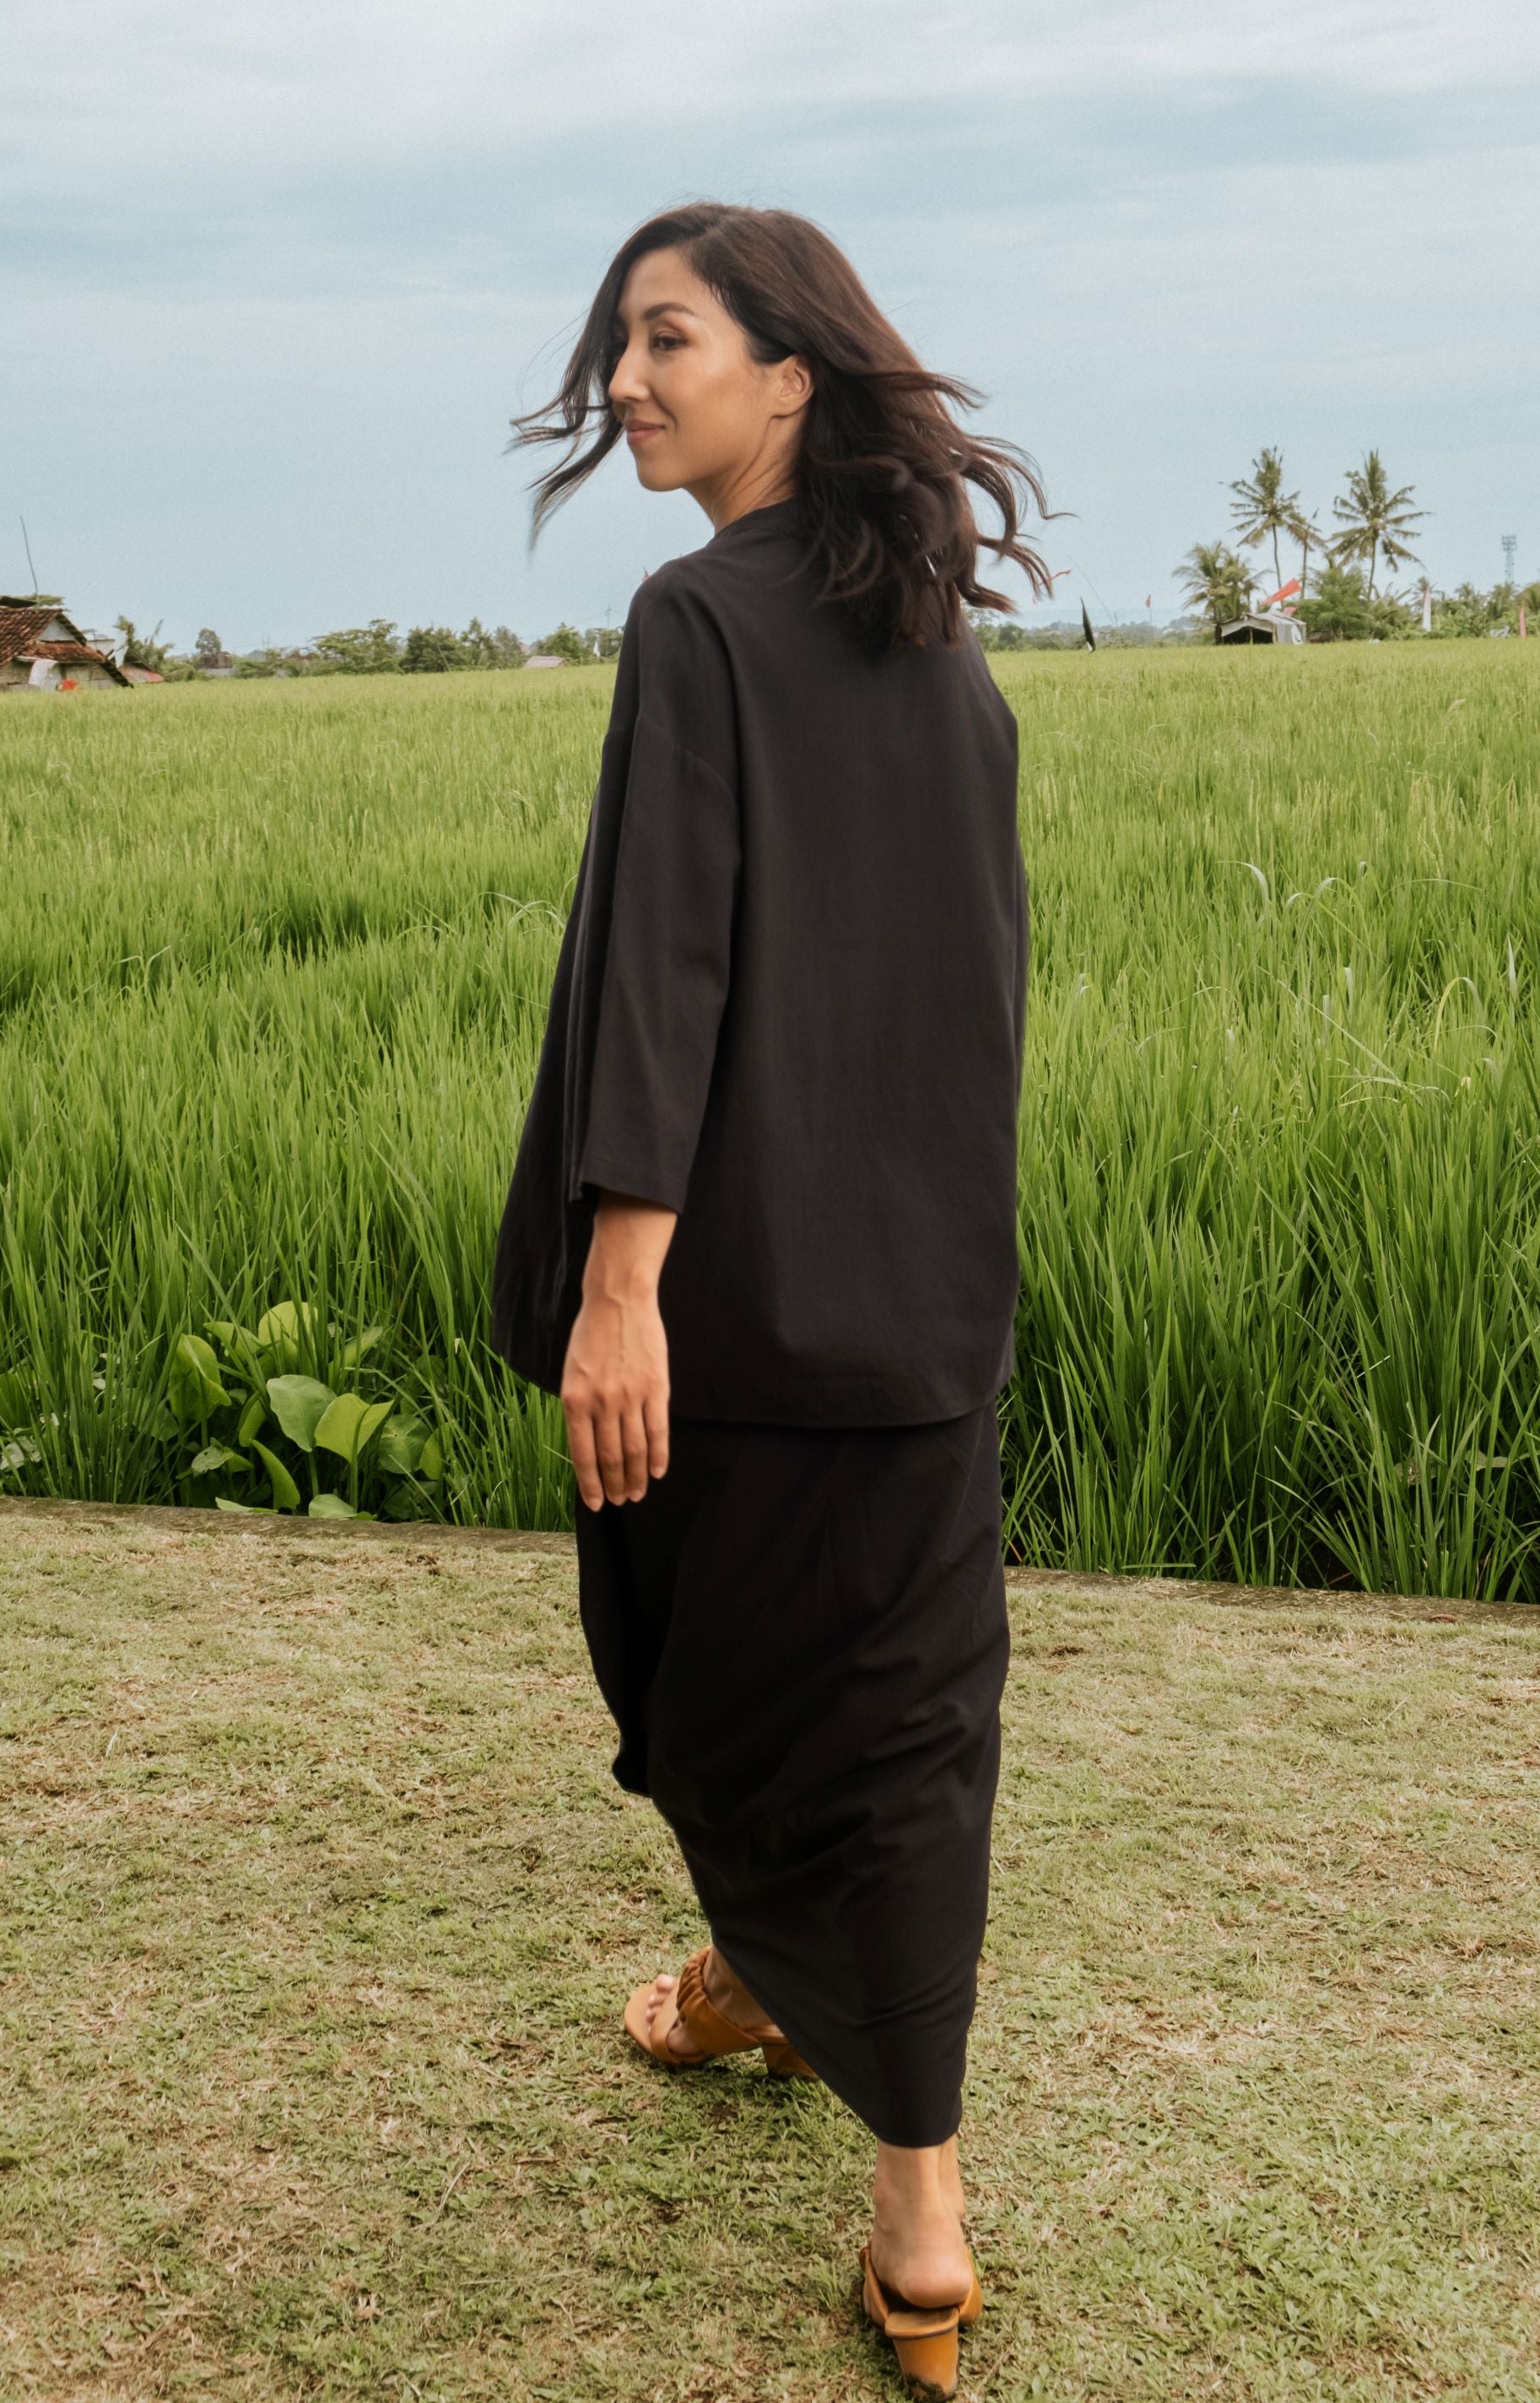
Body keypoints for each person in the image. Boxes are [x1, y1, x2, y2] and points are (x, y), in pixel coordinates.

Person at [490, 200, 1045, 2399]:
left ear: (788, 375)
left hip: (735, 1310)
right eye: (618, 345)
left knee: (698, 1667)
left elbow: (665, 959)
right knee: (902, 1733)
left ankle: (750, 1983)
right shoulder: (942, 645)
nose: (623, 379)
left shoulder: (694, 619)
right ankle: (913, 2222)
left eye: (664, 337)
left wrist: (618, 1290)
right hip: (922, 1321)